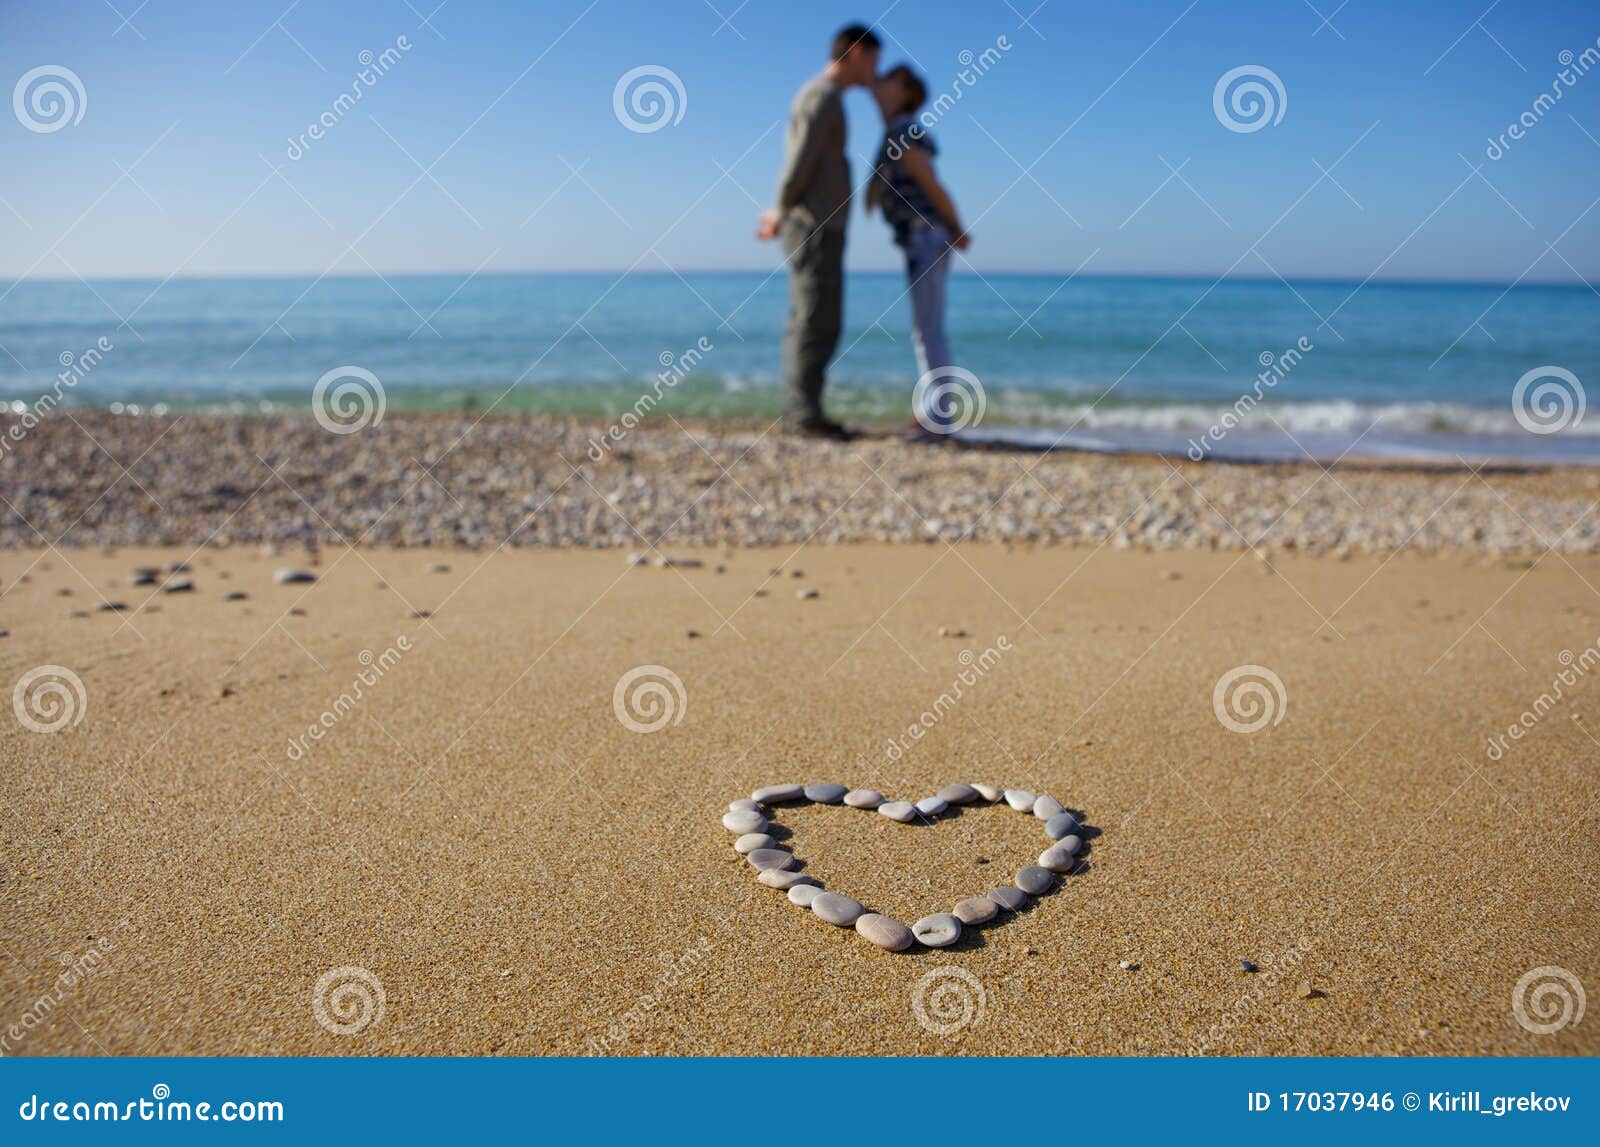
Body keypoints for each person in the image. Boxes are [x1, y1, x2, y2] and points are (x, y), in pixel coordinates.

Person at [757, 24, 882, 441]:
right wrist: (781, 207)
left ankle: (806, 411)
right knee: (814, 318)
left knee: (819, 318)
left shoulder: (829, 98)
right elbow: (800, 157)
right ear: (857, 53)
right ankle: (803, 416)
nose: (875, 72)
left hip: (821, 225)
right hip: (813, 226)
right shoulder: (822, 96)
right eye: (873, 61)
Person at [865, 64, 971, 441]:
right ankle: (934, 413)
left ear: (904, 91)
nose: (877, 84)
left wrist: (957, 226)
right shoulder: (896, 131)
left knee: (928, 329)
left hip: (926, 234)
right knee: (927, 328)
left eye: (887, 81)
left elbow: (930, 183)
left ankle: (939, 419)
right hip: (922, 236)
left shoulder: (903, 131)